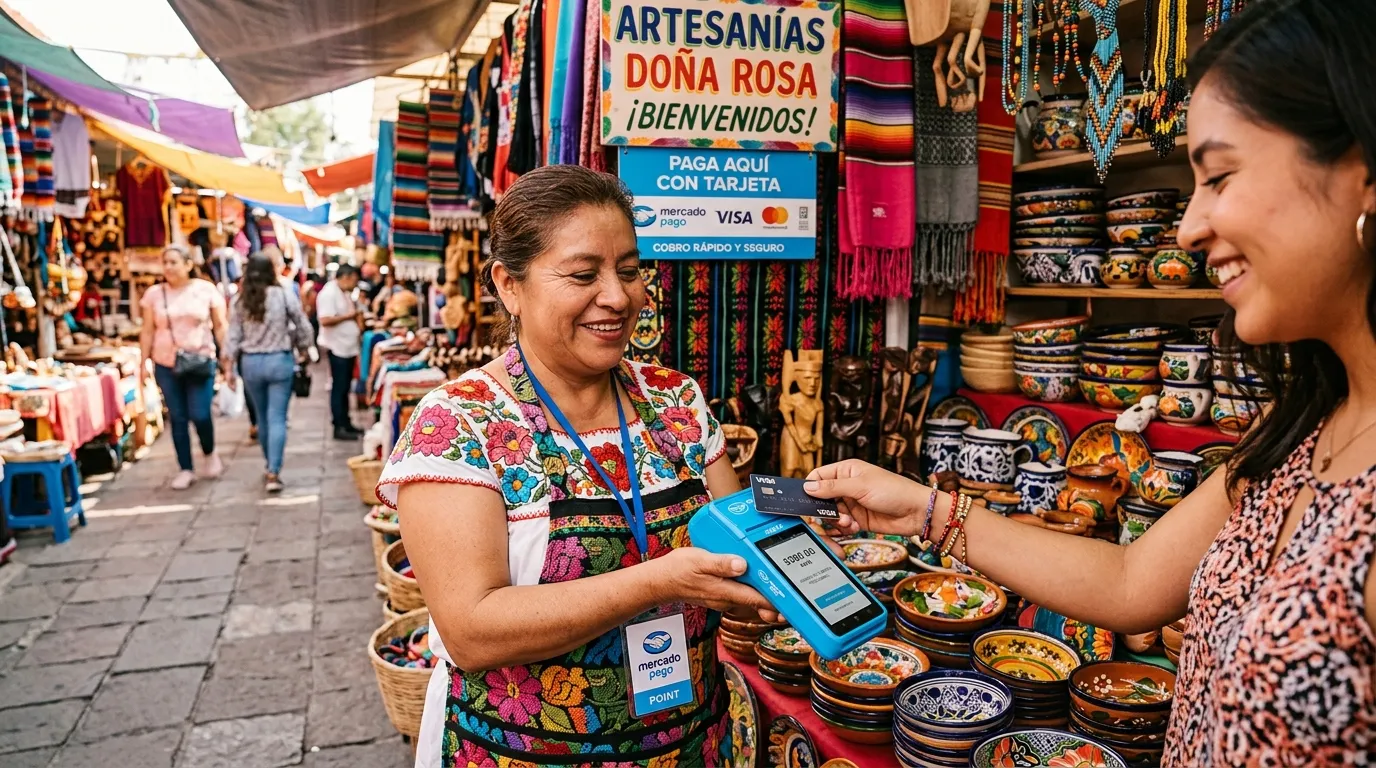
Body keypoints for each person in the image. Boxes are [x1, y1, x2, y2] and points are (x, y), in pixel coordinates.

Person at [804, 4, 1376, 763]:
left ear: (1363, 175)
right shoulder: (1308, 432)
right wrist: (922, 508)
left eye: (1220, 177)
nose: (1187, 228)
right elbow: (1132, 580)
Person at [375, 165, 774, 767]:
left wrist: (794, 544)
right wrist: (659, 581)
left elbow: (734, 549)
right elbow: (471, 628)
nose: (618, 297)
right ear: (510, 284)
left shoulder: (677, 402)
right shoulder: (460, 424)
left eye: (631, 271)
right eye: (584, 275)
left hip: (693, 744)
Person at [224, 254, 315, 493]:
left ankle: (268, 463)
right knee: (277, 417)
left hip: (251, 363)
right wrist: (304, 348)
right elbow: (302, 324)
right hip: (279, 360)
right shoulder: (283, 294)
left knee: (262, 417)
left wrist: (228, 368)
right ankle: (274, 471)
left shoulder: (240, 300)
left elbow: (232, 336)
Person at [139, 245, 228, 490]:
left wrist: (227, 357)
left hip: (200, 360)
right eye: (165, 262)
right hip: (165, 362)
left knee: (200, 413)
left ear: (188, 264)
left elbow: (220, 325)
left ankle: (209, 452)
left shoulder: (205, 290)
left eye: (173, 262)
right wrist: (144, 362)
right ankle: (186, 468)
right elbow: (147, 330)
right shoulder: (154, 294)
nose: (168, 267)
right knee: (177, 417)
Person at [316, 264, 364, 439]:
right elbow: (325, 319)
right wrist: (350, 317)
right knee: (339, 387)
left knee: (344, 388)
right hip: (338, 348)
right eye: (354, 280)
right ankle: (339, 425)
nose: (355, 284)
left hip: (346, 347)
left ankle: (345, 422)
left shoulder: (341, 292)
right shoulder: (329, 294)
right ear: (347, 277)